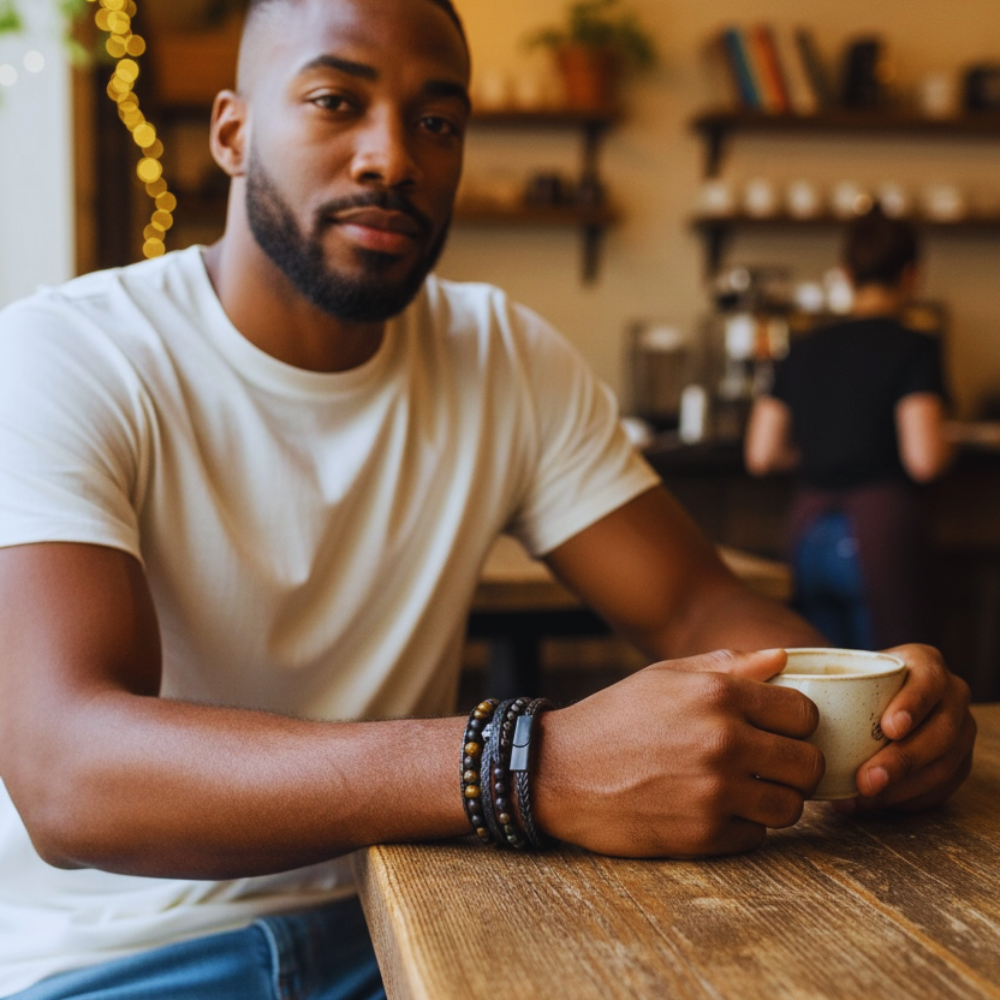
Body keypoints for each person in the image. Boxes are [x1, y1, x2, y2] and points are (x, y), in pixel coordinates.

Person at [0, 2, 974, 997]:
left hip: (408, 910)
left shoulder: (500, 354)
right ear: (233, 132)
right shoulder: (67, 355)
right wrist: (525, 766)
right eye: (337, 101)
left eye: (437, 121)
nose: (392, 157)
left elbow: (696, 608)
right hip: (122, 956)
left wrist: (871, 711)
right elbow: (67, 773)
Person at [745, 208, 953, 649]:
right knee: (892, 684)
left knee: (822, 683)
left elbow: (762, 455)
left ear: (845, 274)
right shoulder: (913, 348)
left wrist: (823, 451)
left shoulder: (801, 348)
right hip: (877, 535)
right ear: (912, 275)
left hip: (807, 535)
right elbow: (925, 460)